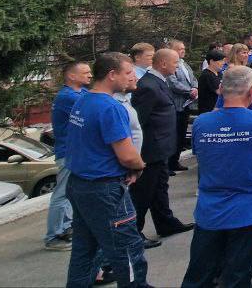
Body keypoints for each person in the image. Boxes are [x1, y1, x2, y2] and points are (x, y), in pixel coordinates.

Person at [180, 66, 252, 288]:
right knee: (238, 277)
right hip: (249, 211)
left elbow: (200, 152)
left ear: (220, 90)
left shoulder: (201, 123)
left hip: (210, 211)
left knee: (199, 276)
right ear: (251, 92)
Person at [65, 52, 148, 287]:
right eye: (128, 73)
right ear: (112, 75)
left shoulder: (82, 99)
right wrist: (140, 166)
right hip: (105, 189)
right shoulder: (110, 107)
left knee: (86, 250)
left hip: (79, 184)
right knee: (128, 250)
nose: (133, 77)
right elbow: (128, 156)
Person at [130, 49, 194, 245]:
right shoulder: (148, 86)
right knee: (143, 193)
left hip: (162, 148)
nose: (178, 65)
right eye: (175, 62)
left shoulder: (159, 82)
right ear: (163, 63)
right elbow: (139, 122)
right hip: (151, 150)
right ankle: (134, 233)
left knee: (159, 189)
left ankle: (166, 222)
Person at [45, 60, 91, 251]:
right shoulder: (67, 97)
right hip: (68, 152)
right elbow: (94, 106)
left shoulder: (81, 93)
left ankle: (66, 228)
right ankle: (53, 236)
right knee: (62, 194)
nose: (90, 75)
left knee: (71, 194)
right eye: (86, 72)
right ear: (72, 76)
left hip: (76, 152)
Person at [166, 40, 198, 173]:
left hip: (186, 105)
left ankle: (175, 161)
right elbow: (173, 83)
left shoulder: (185, 64)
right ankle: (169, 162)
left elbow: (194, 78)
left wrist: (195, 87)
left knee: (181, 134)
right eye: (180, 49)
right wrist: (189, 91)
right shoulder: (171, 65)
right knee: (173, 134)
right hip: (176, 104)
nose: (183, 51)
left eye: (184, 48)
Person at [197, 48, 226, 114]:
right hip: (208, 111)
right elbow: (220, 91)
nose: (223, 63)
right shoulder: (207, 75)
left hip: (217, 110)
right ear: (212, 61)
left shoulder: (219, 73)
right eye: (221, 60)